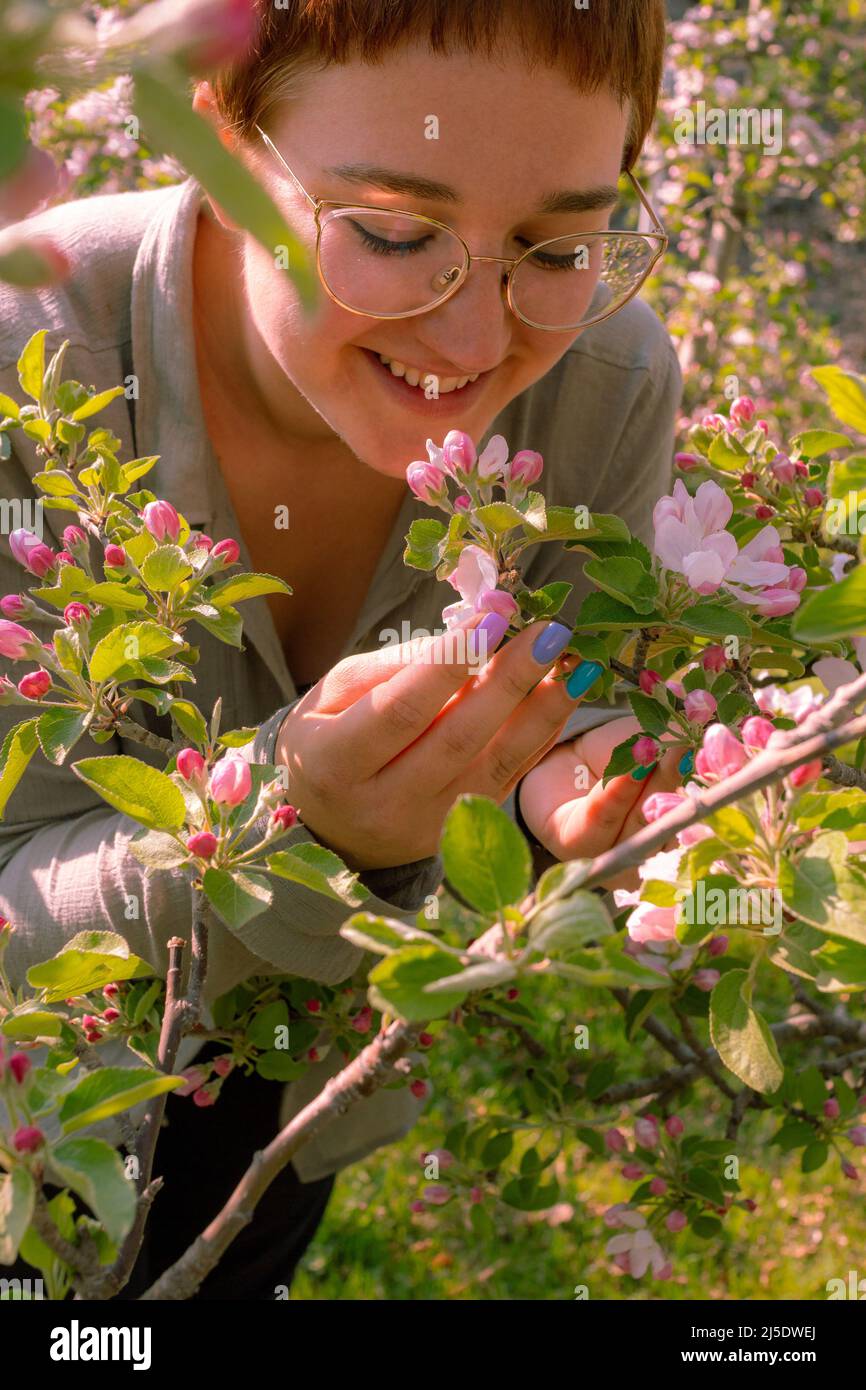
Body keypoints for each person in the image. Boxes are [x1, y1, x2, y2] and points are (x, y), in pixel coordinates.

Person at [0, 0, 685, 1298]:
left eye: (558, 245)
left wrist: (552, 787)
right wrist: (285, 819)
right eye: (391, 233)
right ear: (219, 140)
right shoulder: (22, 361)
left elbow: (544, 735)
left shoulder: (606, 383)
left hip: (288, 1113)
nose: (477, 343)